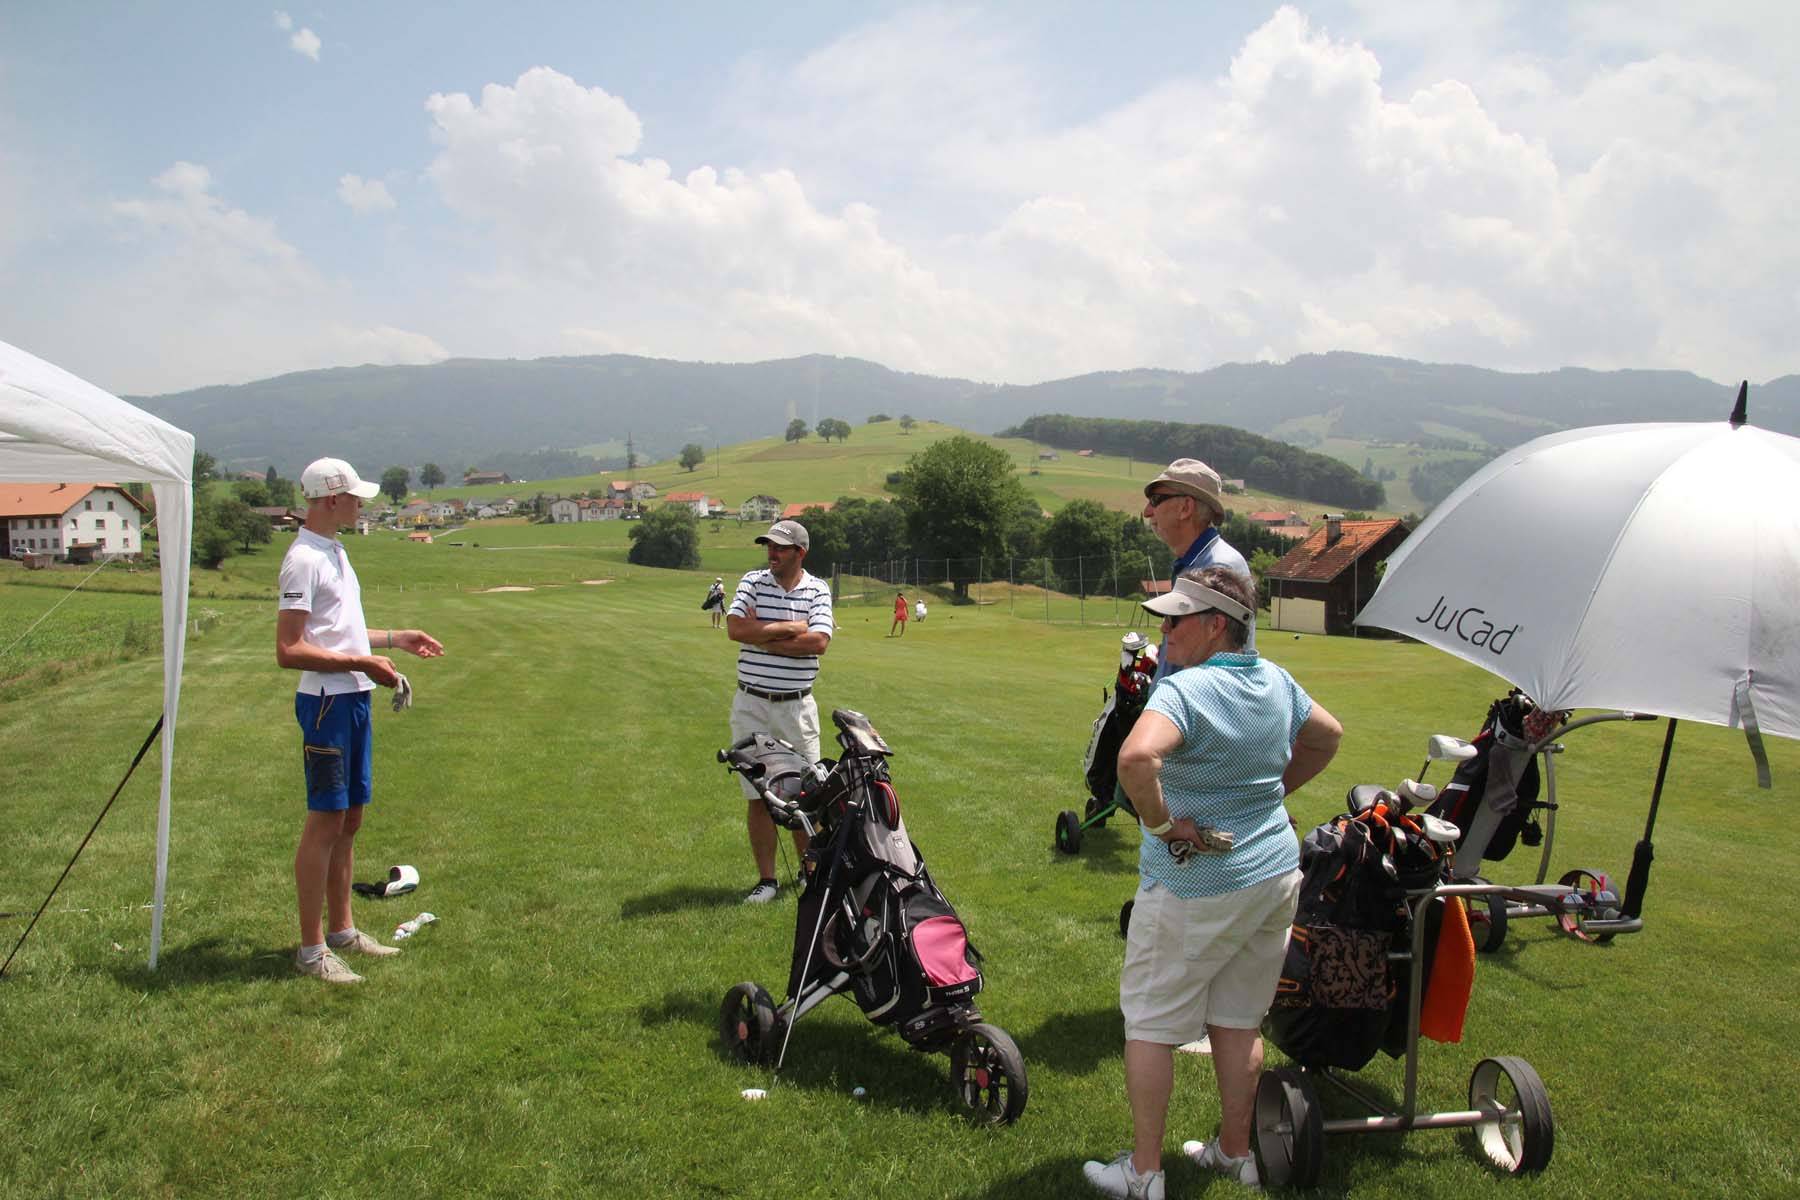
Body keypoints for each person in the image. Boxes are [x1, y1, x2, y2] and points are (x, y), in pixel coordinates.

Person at [1082, 566, 1341, 1199]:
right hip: (1273, 874)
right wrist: (1272, 796)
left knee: (1149, 1023)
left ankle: (1144, 1174)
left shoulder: (1184, 689)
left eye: (1177, 619)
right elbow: (1327, 735)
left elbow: (1135, 758)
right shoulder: (1276, 680)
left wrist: (1163, 825)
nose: (1165, 631)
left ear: (1217, 624)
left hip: (1195, 883)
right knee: (1238, 1020)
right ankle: (1233, 1153)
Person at [277, 457, 444, 985]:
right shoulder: (303, 559)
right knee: (325, 822)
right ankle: (311, 951)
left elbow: (339, 631)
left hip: (352, 699)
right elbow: (289, 649)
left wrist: (396, 639)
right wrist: (362, 663)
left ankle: (343, 931)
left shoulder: (335, 551)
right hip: (326, 704)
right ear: (331, 498)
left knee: (350, 821)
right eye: (354, 497)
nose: (361, 505)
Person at [727, 520, 834, 903]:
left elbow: (818, 642)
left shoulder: (818, 589)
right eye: (769, 546)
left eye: (780, 548)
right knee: (758, 795)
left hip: (796, 708)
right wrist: (790, 628)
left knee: (806, 796)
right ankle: (767, 881)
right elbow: (736, 629)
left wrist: (763, 635)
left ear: (800, 552)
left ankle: (809, 875)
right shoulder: (753, 582)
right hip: (752, 705)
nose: (771, 553)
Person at [1141, 459, 1251, 676]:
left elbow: (1209, 671)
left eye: (1155, 500)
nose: (1147, 512)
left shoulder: (1216, 570)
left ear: (1186, 508)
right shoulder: (1196, 563)